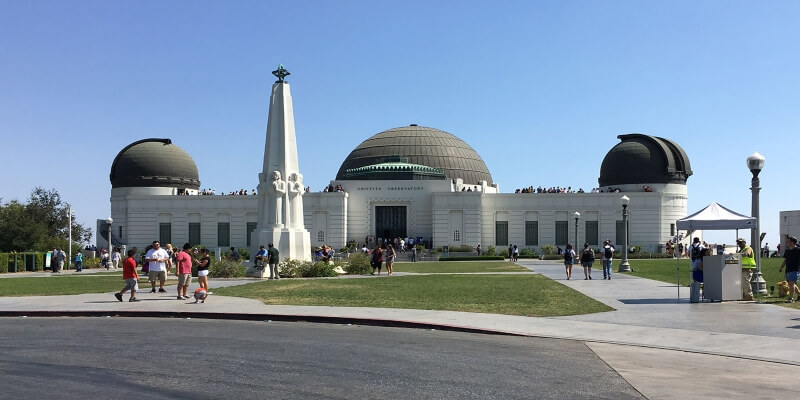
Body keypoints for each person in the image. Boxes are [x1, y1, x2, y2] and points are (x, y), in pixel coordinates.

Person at [779, 236, 800, 303]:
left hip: (795, 269)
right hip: (788, 269)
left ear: (792, 242)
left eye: (788, 241)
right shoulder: (787, 250)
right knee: (792, 284)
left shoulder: (798, 250)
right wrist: (781, 267)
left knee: (791, 283)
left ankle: (791, 298)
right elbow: (786, 259)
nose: (786, 242)